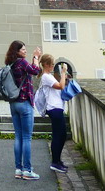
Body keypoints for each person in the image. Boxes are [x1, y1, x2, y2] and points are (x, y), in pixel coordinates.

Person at [5, 39, 41, 179]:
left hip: (13, 103)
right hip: (25, 102)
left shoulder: (11, 63)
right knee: (27, 137)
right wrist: (36, 57)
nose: (25, 51)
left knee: (18, 136)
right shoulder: (22, 62)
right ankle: (27, 170)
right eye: (23, 49)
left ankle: (18, 169)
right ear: (17, 51)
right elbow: (36, 70)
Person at [38, 54, 68, 173]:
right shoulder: (46, 77)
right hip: (54, 108)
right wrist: (63, 73)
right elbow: (60, 86)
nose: (52, 66)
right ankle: (55, 162)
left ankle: (58, 160)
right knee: (58, 135)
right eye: (51, 64)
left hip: (57, 107)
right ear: (46, 65)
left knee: (62, 135)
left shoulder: (48, 76)